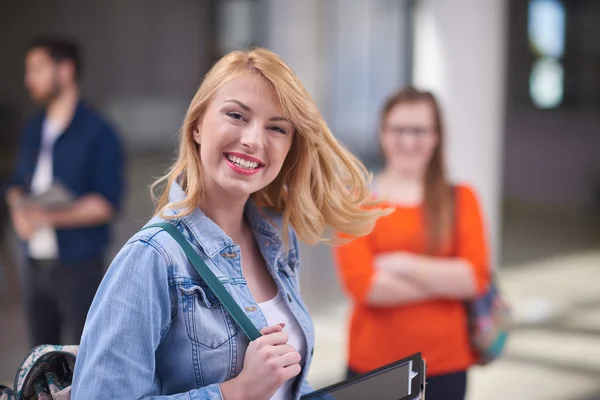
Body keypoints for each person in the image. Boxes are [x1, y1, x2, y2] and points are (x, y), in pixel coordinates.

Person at [71, 48, 388, 400]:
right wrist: (235, 392)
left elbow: (283, 385)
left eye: (276, 128)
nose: (254, 140)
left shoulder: (277, 242)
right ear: (196, 125)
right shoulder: (152, 258)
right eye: (236, 115)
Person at [334, 87, 491, 400]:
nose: (408, 141)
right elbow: (364, 285)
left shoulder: (462, 198)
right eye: (398, 130)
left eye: (419, 131)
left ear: (436, 137)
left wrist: (403, 265)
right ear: (382, 134)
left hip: (445, 365)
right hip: (373, 364)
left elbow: (475, 279)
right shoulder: (355, 202)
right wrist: (446, 279)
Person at [5, 35, 125, 346]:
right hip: (34, 261)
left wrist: (44, 216)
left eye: (36, 69)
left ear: (65, 70)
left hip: (79, 264)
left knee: (82, 354)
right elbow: (16, 182)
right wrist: (19, 208)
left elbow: (106, 203)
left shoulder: (100, 132)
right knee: (40, 358)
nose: (28, 79)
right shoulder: (33, 127)